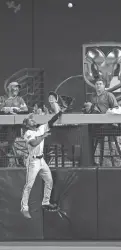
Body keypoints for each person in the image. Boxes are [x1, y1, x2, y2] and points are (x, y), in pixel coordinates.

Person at [21, 110, 63, 219]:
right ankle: (24, 208)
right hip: (33, 161)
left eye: (33, 119)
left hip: (41, 160)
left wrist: (59, 113)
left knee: (49, 180)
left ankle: (45, 202)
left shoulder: (40, 128)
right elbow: (34, 143)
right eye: (30, 120)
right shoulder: (27, 133)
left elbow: (50, 122)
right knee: (29, 185)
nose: (33, 120)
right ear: (26, 124)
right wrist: (43, 136)